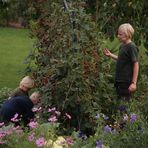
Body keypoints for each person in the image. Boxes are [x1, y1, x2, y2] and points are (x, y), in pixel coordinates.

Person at [103, 23, 139, 113]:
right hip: (119, 81)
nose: (118, 36)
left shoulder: (131, 47)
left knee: (124, 106)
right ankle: (122, 124)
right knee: (120, 105)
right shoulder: (123, 46)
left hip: (126, 81)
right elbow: (122, 59)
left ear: (127, 34)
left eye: (120, 34)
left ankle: (126, 125)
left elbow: (136, 64)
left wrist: (134, 83)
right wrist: (111, 55)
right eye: (118, 34)